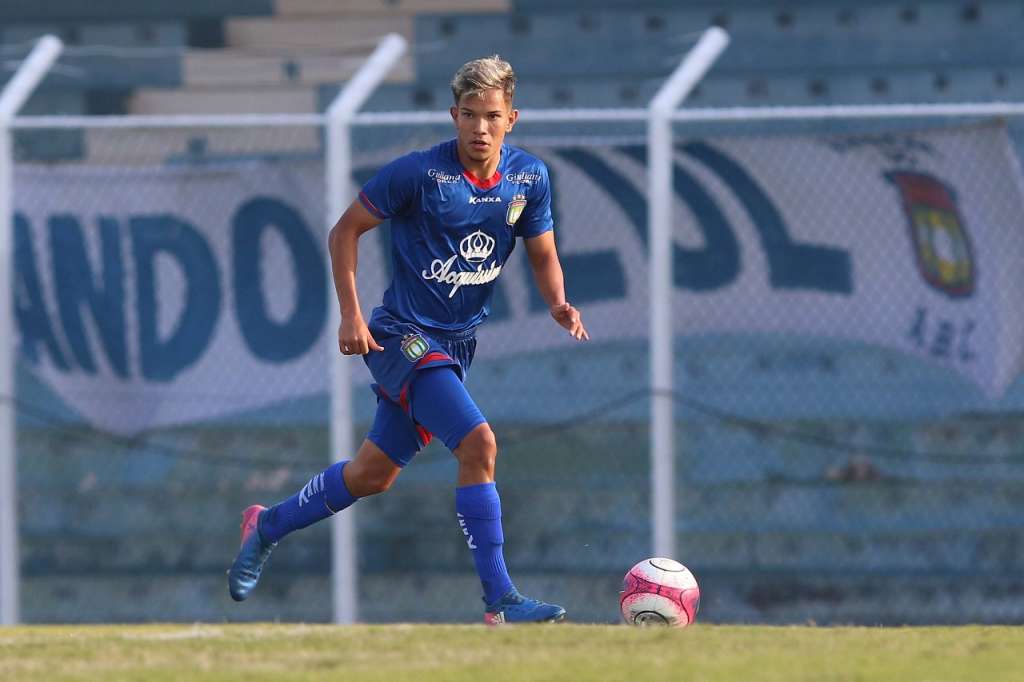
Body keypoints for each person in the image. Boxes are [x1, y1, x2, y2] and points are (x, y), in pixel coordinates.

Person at [228, 55, 588, 624]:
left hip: (456, 346)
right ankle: (500, 601)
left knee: (372, 475)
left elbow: (542, 252)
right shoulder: (419, 174)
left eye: (491, 116)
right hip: (402, 339)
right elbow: (344, 231)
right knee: (480, 445)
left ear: (511, 119)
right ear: (453, 114)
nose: (479, 128)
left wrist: (557, 303)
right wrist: (351, 316)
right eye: (469, 115)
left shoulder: (528, 179)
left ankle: (266, 524)